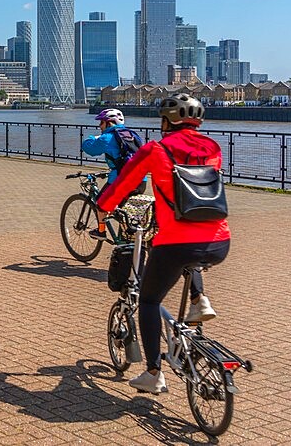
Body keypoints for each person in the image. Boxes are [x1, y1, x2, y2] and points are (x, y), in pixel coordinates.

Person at [97, 94, 230, 395]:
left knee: (149, 301)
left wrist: (104, 206)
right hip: (219, 240)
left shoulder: (156, 149)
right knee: (188, 259)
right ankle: (200, 301)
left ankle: (153, 372)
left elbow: (126, 183)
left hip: (175, 243)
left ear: (166, 121)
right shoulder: (213, 148)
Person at [81, 108, 147, 240]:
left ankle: (101, 232)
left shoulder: (107, 137)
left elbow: (88, 148)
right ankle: (128, 237)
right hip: (141, 180)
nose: (100, 126)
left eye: (101, 123)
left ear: (109, 122)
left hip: (121, 180)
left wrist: (94, 137)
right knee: (126, 212)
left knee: (101, 204)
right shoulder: (132, 134)